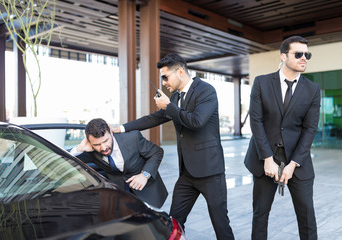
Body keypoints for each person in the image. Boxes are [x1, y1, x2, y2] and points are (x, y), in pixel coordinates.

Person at [113, 53, 234, 239]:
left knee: (220, 224)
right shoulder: (176, 97)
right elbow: (154, 118)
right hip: (187, 174)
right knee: (173, 220)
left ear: (180, 71)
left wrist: (169, 106)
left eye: (165, 77)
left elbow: (196, 121)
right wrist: (121, 128)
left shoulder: (206, 91)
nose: (164, 83)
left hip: (210, 173)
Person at [244, 35, 320, 240]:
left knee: (307, 217)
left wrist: (293, 164)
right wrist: (267, 159)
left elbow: (310, 129)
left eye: (307, 54)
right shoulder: (261, 83)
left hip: (298, 160)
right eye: (298, 54)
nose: (304, 58)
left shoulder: (313, 90)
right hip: (264, 158)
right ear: (283, 56)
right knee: (260, 215)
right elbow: (256, 122)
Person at [70, 118, 168, 208]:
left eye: (105, 141)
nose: (103, 148)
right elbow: (63, 160)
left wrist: (144, 175)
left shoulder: (132, 138)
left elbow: (157, 152)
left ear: (111, 133)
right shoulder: (90, 151)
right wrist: (79, 149)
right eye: (97, 144)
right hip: (120, 196)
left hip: (147, 192)